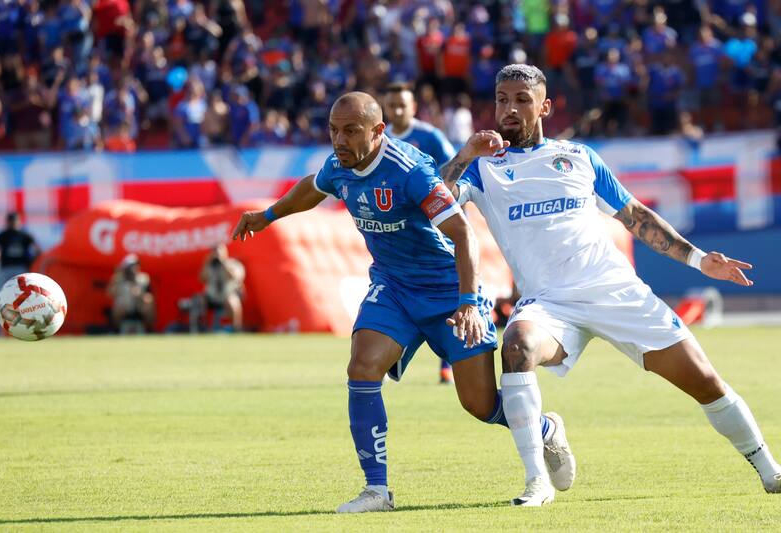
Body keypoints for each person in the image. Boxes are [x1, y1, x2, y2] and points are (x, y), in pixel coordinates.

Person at [440, 64, 781, 506]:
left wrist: (699, 260)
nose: (509, 109)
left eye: (521, 100)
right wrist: (465, 155)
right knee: (517, 348)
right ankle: (536, 482)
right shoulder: (483, 168)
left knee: (706, 382)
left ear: (544, 106)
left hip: (614, 290)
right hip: (549, 304)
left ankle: (771, 471)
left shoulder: (578, 158)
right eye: (502, 99)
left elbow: (636, 217)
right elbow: (435, 200)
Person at [232, 91, 576, 513]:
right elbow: (312, 188)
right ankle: (376, 490)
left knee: (480, 404)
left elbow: (464, 233)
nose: (339, 140)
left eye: (351, 131)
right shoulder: (340, 165)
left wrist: (468, 302)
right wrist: (267, 216)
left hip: (449, 292)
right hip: (393, 288)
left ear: (377, 132)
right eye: (334, 131)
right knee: (362, 365)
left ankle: (543, 428)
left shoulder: (410, 170)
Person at [382, 81, 459, 385]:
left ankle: (447, 364)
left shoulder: (429, 136)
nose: (398, 110)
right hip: (400, 234)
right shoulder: (380, 139)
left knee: (446, 293)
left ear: (413, 107)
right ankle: (388, 356)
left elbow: (454, 170)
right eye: (392, 105)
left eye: (403, 104)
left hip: (436, 229)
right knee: (394, 289)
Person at [0, 212, 41, 334]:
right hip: (6, 269)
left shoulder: (24, 235)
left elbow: (37, 250)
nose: (14, 223)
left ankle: (28, 327)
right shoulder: (3, 235)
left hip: (21, 270)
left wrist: (32, 263)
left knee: (26, 299)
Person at [190, 244, 245, 332]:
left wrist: (223, 263)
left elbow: (235, 277)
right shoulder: (210, 266)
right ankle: (199, 329)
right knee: (198, 300)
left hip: (227, 295)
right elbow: (201, 279)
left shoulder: (233, 264)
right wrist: (207, 263)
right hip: (212, 297)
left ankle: (236, 329)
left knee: (232, 301)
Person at [107, 254, 155, 333]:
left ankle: (150, 331)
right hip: (124, 306)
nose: (133, 268)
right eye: (131, 266)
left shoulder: (143, 278)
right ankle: (115, 331)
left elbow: (149, 295)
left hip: (138, 305)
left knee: (149, 304)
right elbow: (109, 293)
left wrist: (140, 294)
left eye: (136, 265)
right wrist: (117, 278)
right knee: (118, 309)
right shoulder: (119, 279)